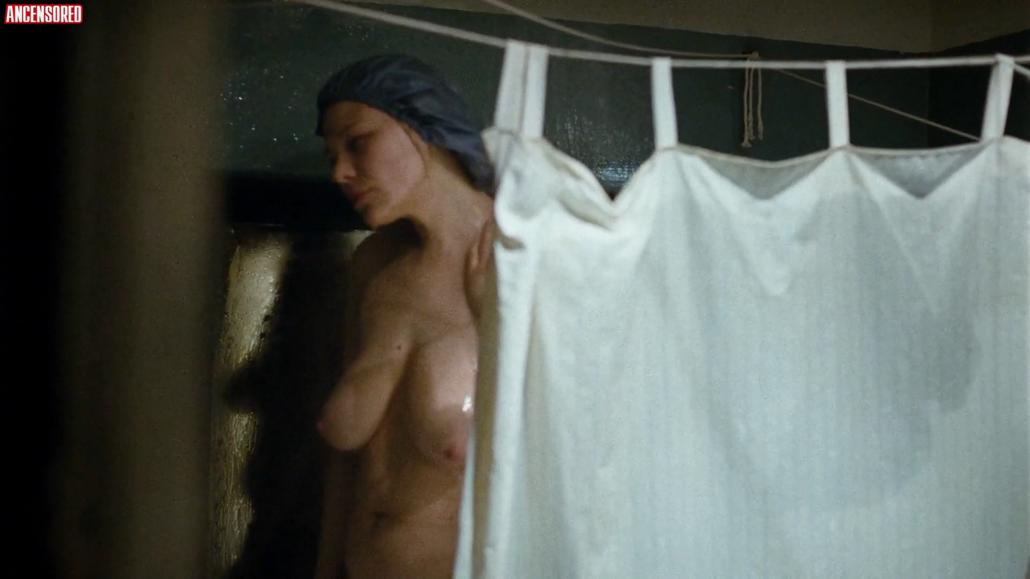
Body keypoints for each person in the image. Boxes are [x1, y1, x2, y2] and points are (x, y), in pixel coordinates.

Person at [311, 55, 495, 579]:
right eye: (332, 156)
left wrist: (493, 321)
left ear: (422, 129)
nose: (339, 173)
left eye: (357, 143)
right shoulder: (374, 263)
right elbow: (348, 465)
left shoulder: (524, 258)